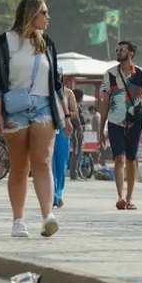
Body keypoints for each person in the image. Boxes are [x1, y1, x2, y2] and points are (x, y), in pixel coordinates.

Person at [0, 0, 71, 238]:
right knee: (20, 166)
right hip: (16, 107)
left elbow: (56, 83)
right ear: (31, 14)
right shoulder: (7, 42)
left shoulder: (47, 43)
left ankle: (48, 216)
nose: (48, 18)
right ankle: (18, 220)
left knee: (43, 162)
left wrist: (65, 114)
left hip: (44, 106)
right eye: (44, 13)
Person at [99, 41, 142, 210]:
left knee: (131, 158)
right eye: (117, 49)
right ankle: (120, 196)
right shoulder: (110, 74)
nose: (118, 52)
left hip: (135, 122)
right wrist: (101, 128)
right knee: (119, 158)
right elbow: (105, 102)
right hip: (115, 121)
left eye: (122, 49)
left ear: (131, 53)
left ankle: (129, 197)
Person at [52, 75, 77, 208]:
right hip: (49, 128)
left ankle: (58, 193)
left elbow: (75, 113)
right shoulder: (46, 91)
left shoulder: (68, 93)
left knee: (61, 164)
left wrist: (63, 113)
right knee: (49, 164)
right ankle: (53, 196)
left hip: (62, 130)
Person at [68, 88, 86, 180]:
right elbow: (75, 119)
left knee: (79, 152)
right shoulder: (75, 106)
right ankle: (74, 173)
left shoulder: (79, 106)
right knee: (76, 152)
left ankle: (78, 172)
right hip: (76, 130)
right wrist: (79, 126)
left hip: (80, 130)